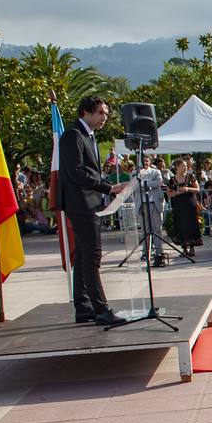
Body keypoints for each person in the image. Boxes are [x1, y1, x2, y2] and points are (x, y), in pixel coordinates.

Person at [57, 96, 127, 325]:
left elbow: (90, 172)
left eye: (106, 113)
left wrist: (108, 187)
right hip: (81, 204)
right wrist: (108, 187)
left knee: (84, 256)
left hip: (91, 202)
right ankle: (101, 309)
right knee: (93, 257)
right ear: (86, 112)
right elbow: (77, 172)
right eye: (101, 113)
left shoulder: (89, 136)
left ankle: (84, 306)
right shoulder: (72, 136)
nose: (104, 117)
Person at [167, 157, 202, 256]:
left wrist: (187, 189)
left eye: (186, 166)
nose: (185, 168)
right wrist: (176, 193)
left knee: (191, 225)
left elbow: (198, 189)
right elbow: (169, 193)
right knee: (181, 225)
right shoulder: (172, 180)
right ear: (177, 167)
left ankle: (192, 247)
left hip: (190, 204)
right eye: (183, 166)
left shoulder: (190, 177)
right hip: (178, 206)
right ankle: (184, 248)